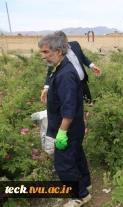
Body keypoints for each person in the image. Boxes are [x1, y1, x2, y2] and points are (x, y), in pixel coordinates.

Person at [38, 34, 91, 207]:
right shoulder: (60, 67)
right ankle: (85, 183)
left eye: (46, 52)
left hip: (68, 127)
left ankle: (80, 195)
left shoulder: (66, 75)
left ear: (58, 51)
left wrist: (61, 132)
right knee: (76, 155)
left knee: (63, 164)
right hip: (73, 127)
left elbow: (69, 109)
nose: (43, 56)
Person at [41, 30, 101, 105]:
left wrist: (92, 66)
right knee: (74, 105)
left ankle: (89, 114)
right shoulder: (57, 54)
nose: (61, 47)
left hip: (82, 81)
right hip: (71, 85)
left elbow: (82, 57)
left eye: (62, 43)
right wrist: (46, 87)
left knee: (88, 102)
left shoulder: (75, 45)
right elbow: (50, 72)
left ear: (66, 40)